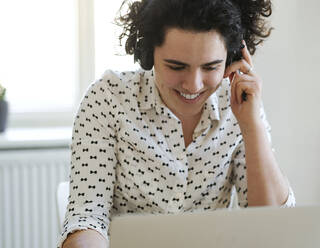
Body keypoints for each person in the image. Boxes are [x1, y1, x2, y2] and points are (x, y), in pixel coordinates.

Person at [59, 0, 296, 247]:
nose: (193, 85)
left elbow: (273, 227)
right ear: (149, 53)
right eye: (176, 66)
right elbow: (87, 218)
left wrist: (251, 126)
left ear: (231, 58)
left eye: (210, 67)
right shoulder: (107, 99)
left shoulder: (238, 102)